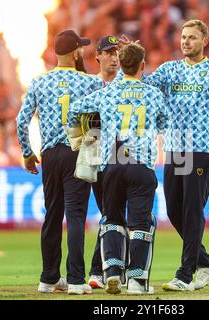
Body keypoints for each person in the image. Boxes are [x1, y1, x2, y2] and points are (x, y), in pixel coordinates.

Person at [119, 19, 209, 291]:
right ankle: (207, 263)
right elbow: (140, 80)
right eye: (183, 37)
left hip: (201, 147)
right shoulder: (170, 70)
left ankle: (184, 275)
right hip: (174, 146)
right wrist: (128, 57)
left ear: (205, 40)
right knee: (174, 211)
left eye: (192, 37)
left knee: (193, 211)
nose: (185, 42)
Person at [68, 43, 169, 295]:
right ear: (143, 66)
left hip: (112, 163)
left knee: (112, 219)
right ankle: (136, 281)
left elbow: (73, 110)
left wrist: (80, 138)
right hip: (140, 164)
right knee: (141, 223)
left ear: (121, 65)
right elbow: (166, 122)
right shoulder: (153, 94)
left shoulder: (107, 92)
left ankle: (112, 272)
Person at [16, 30, 104, 295]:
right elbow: (100, 121)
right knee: (75, 216)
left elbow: (21, 121)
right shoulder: (90, 83)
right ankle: (76, 279)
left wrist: (27, 153)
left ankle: (49, 277)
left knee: (52, 215)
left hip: (50, 155)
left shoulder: (39, 81)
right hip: (78, 152)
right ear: (76, 52)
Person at [87, 35, 121, 290]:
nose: (114, 56)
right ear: (97, 56)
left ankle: (101, 270)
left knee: (114, 214)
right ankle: (108, 269)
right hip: (95, 154)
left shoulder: (128, 83)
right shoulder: (89, 85)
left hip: (122, 155)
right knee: (109, 214)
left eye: (118, 52)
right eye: (108, 52)